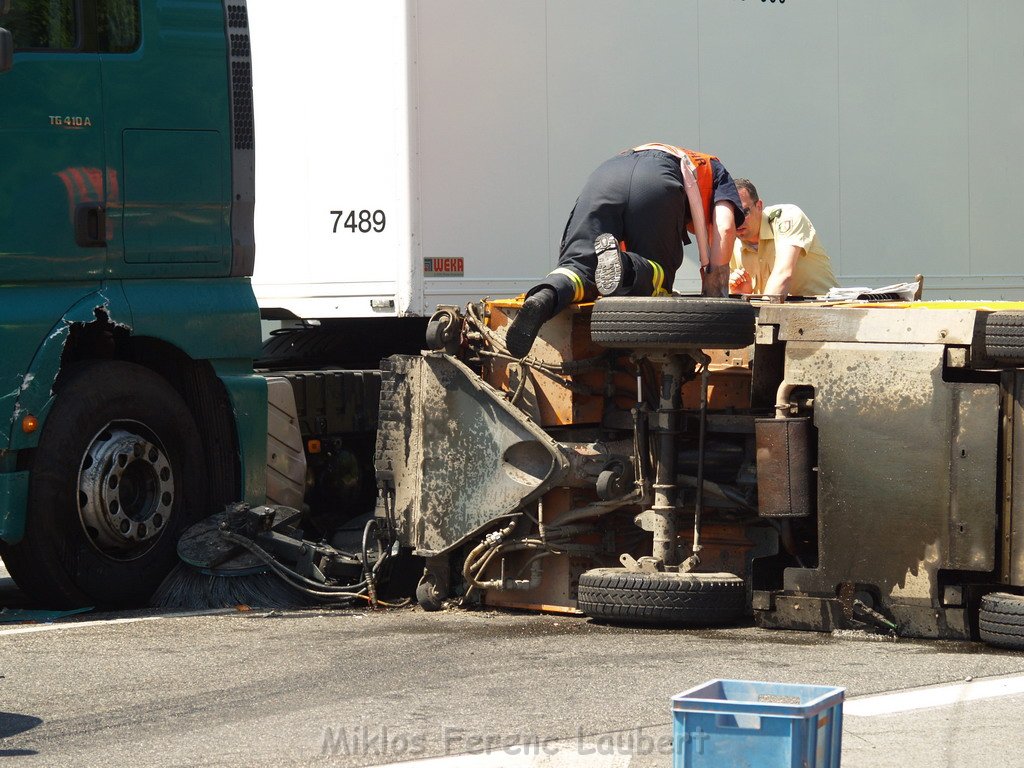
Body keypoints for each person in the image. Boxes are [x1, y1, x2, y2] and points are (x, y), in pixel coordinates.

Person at [505, 142, 745, 358]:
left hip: (606, 175)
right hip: (658, 181)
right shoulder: (716, 170)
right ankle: (626, 267)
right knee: (655, 278)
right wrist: (716, 287)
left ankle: (545, 297)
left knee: (579, 266)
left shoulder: (658, 157)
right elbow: (725, 227)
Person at [728, 178, 838, 298]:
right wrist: (742, 295)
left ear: (759, 206)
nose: (737, 222)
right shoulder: (730, 243)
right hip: (776, 312)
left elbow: (784, 274)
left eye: (743, 213)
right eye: (730, 215)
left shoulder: (786, 217)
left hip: (821, 310)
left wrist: (762, 313)